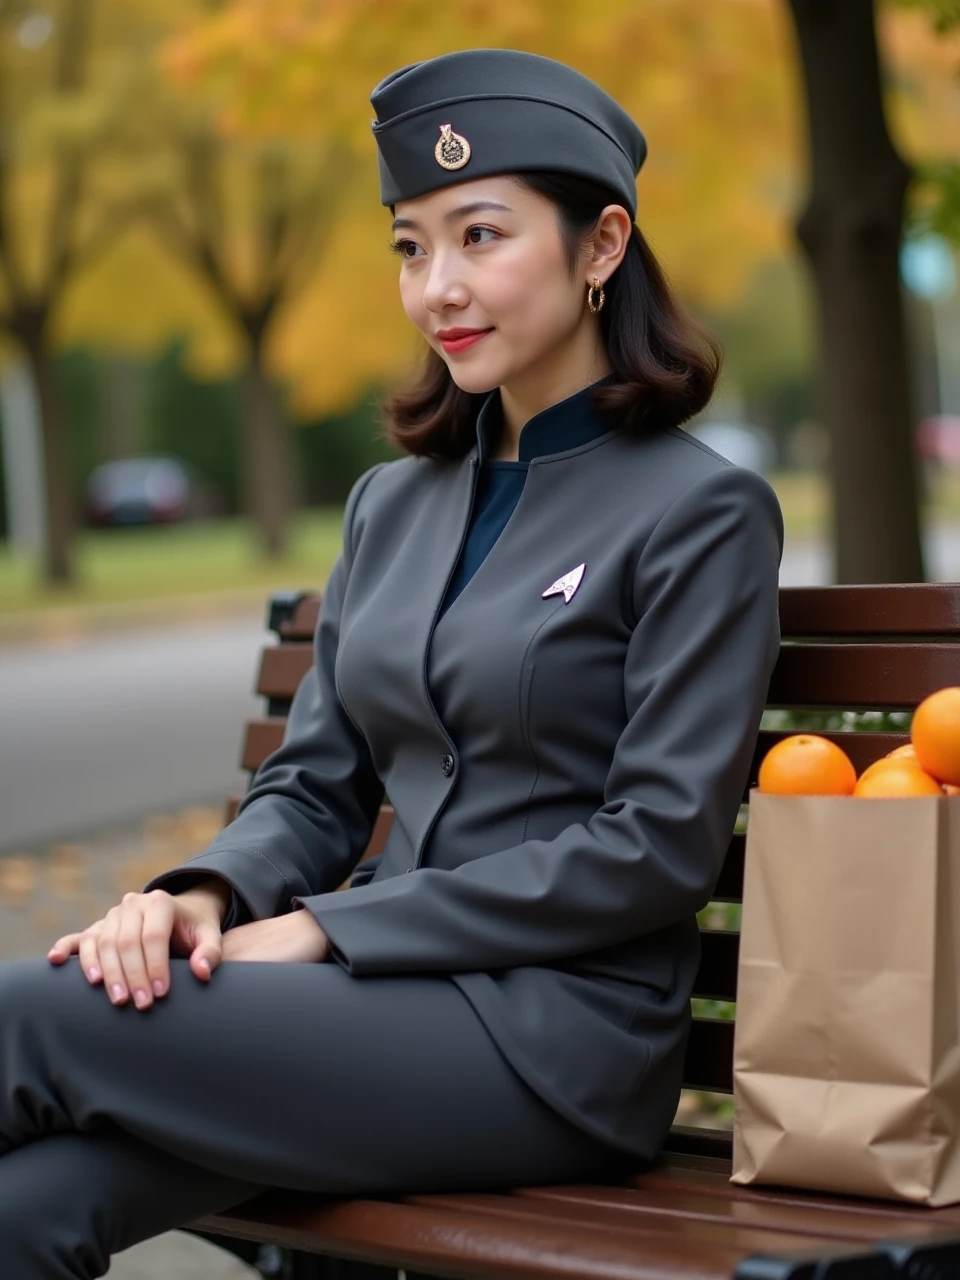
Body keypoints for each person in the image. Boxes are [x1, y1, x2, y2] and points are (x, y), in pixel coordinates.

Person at [0, 48, 783, 1278]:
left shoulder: (700, 512)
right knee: (30, 1206)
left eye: (480, 235)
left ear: (601, 246)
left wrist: (329, 930)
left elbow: (657, 843)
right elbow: (315, 784)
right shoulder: (392, 504)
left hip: (552, 1039)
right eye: (412, 246)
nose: (439, 287)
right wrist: (205, 895)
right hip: (369, 1021)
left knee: (34, 1017)